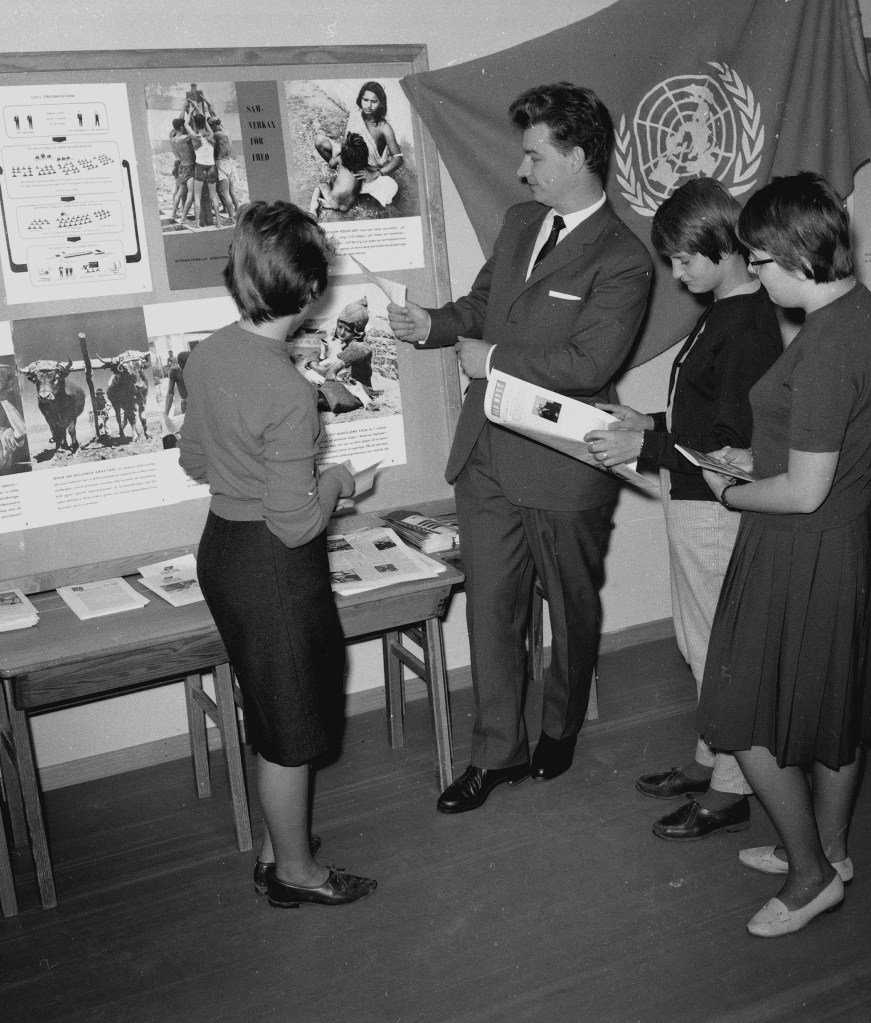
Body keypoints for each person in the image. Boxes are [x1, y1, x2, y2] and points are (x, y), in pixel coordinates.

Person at [388, 82, 652, 813]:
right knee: (490, 612)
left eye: (535, 155)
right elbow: (485, 305)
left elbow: (589, 364)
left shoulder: (623, 259)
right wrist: (435, 325)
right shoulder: (520, 222)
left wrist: (492, 360)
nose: (522, 169)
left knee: (570, 610)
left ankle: (559, 729)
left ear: (578, 156)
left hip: (564, 466)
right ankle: (495, 754)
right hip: (486, 456)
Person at [695, 172, 871, 937]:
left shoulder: (826, 346)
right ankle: (831, 851)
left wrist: (730, 491)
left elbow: (804, 491)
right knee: (830, 706)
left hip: (801, 544)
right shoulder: (855, 310)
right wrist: (760, 457)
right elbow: (824, 449)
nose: (753, 273)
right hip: (843, 539)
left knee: (738, 711)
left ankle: (810, 877)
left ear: (795, 256)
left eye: (759, 260)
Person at [179, 200, 377, 908]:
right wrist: (340, 480)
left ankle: (279, 848)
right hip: (273, 564)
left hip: (224, 551)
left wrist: (250, 473)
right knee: (291, 726)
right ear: (311, 290)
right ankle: (296, 874)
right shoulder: (290, 391)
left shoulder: (208, 354)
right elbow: (297, 526)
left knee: (273, 708)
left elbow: (194, 462)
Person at [583, 177, 782, 841]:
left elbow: (730, 446)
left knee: (714, 648)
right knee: (697, 641)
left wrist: (642, 446)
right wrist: (647, 421)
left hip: (715, 507)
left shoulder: (747, 327)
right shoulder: (724, 310)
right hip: (692, 497)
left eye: (684, 258)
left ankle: (731, 791)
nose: (676, 273)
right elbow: (704, 415)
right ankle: (709, 759)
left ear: (725, 246)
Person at [347, 81, 402, 206]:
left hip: (369, 170)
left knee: (390, 186)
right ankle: (354, 187)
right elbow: (346, 141)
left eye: (374, 101)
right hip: (351, 163)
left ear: (380, 103)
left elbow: (398, 158)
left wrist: (376, 174)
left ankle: (356, 188)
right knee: (322, 143)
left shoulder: (384, 127)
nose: (368, 105)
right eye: (365, 100)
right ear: (360, 99)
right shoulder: (356, 115)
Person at [310, 132, 386, 221]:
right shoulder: (363, 166)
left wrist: (336, 158)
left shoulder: (340, 159)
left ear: (343, 153)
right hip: (348, 205)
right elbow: (375, 169)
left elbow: (331, 165)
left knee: (320, 187)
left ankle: (313, 210)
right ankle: (331, 205)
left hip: (333, 200)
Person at [209, 117, 238, 222]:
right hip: (229, 162)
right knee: (232, 191)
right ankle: (237, 213)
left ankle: (231, 217)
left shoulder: (216, 135)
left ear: (213, 125)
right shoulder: (226, 132)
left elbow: (207, 134)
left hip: (220, 162)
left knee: (225, 193)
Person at [163, 350, 188, 416]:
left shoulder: (174, 357)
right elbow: (170, 393)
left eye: (170, 352)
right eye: (169, 353)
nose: (170, 353)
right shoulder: (170, 360)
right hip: (186, 403)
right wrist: (166, 414)